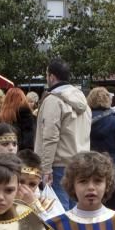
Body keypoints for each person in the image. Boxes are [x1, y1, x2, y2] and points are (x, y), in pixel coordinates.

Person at [34, 59, 91, 210]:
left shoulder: (53, 100)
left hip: (59, 164)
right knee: (77, 210)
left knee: (58, 211)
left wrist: (46, 168)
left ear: (51, 77)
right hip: (81, 161)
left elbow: (50, 137)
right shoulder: (83, 100)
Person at [87, 87, 115, 213]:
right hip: (112, 162)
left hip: (90, 162)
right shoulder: (113, 119)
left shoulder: (84, 118)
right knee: (113, 202)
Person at [16, 149, 64, 221]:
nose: (26, 190)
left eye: (32, 184)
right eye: (21, 182)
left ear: (39, 182)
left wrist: (35, 207)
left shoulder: (47, 205)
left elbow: (54, 229)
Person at [0, 87, 36, 151]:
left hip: (4, 152)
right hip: (21, 154)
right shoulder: (26, 114)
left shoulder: (2, 116)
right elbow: (29, 140)